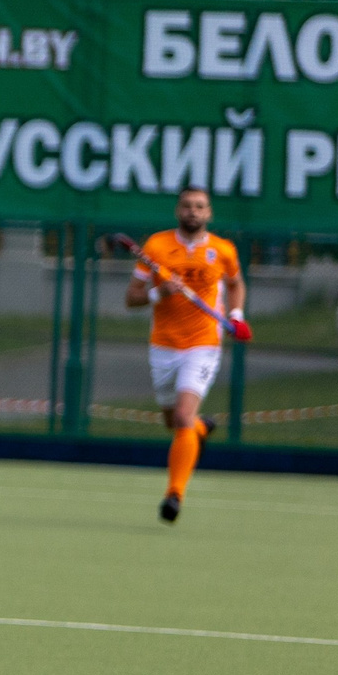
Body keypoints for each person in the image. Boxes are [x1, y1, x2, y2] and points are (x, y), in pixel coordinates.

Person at [125, 184, 242, 524]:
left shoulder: (222, 251)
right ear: (178, 211)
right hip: (163, 345)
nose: (193, 211)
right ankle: (200, 431)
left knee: (181, 417)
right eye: (187, 205)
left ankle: (174, 495)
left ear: (209, 214)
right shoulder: (157, 246)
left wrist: (236, 316)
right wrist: (160, 292)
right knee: (173, 423)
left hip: (203, 343)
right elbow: (131, 298)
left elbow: (235, 284)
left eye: (200, 206)